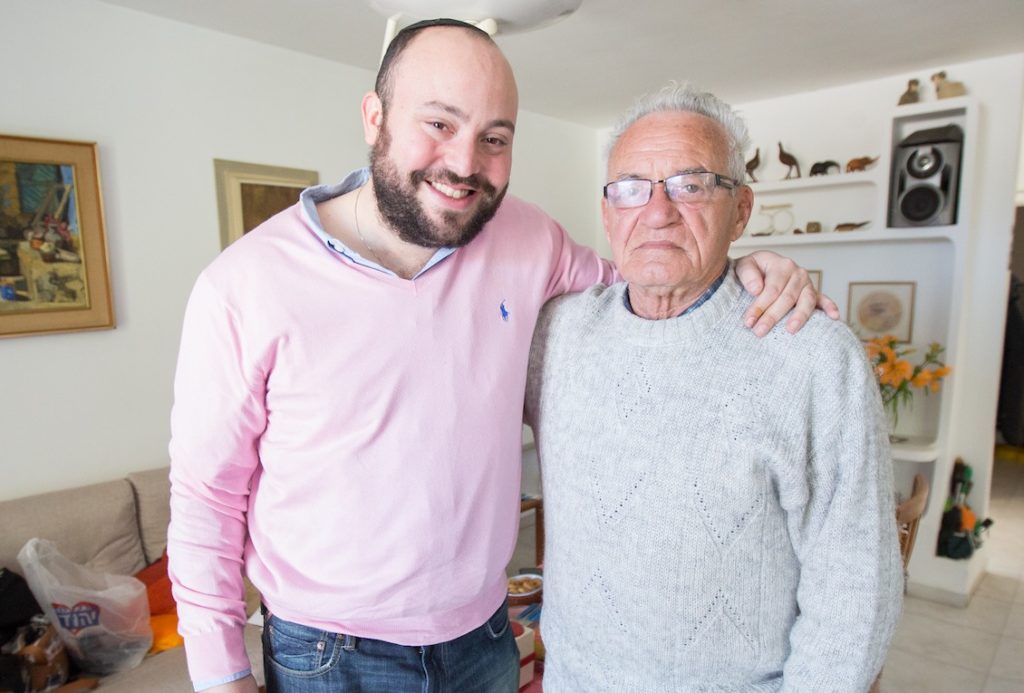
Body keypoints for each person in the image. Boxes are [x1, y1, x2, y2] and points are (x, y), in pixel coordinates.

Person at [167, 20, 836, 693]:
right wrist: (221, 673)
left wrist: (748, 267)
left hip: (485, 640)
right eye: (438, 124)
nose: (464, 164)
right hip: (330, 654)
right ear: (375, 118)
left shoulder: (528, 238)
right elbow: (206, 494)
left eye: (494, 138)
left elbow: (651, 283)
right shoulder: (245, 284)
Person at [525, 82, 903, 691]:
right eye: (630, 189)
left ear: (742, 210)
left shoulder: (813, 355)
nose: (656, 212)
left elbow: (855, 587)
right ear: (606, 212)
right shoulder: (556, 333)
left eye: (691, 184)